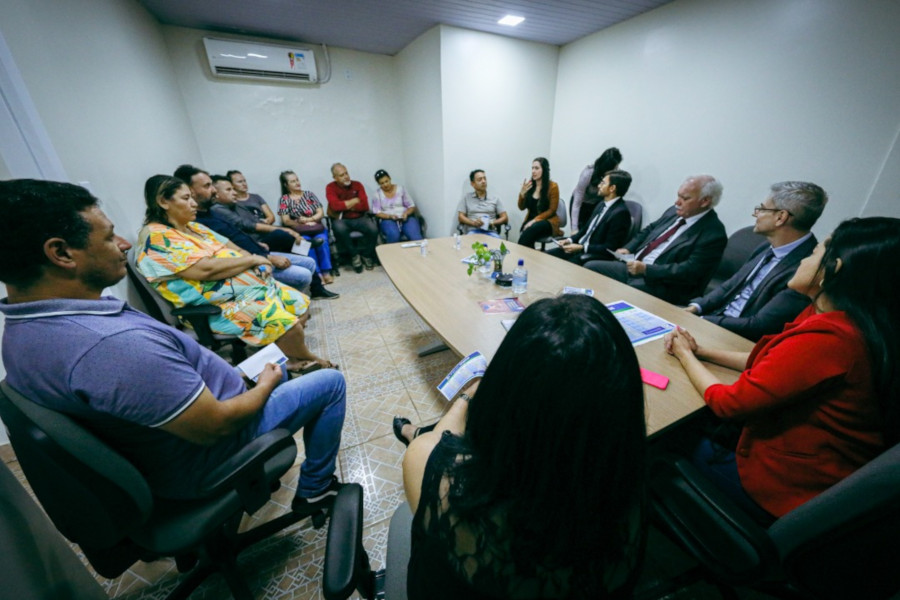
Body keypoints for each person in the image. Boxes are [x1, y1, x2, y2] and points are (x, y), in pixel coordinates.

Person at [0, 179, 347, 518]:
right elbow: (215, 425)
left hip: (175, 431)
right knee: (329, 383)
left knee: (275, 356)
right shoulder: (110, 346)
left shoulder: (22, 334)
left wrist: (236, 374)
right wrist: (267, 384)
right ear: (61, 253)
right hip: (211, 454)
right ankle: (316, 489)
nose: (123, 244)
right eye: (108, 236)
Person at [395, 295, 647, 598]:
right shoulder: (632, 498)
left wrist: (467, 397)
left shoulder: (431, 468)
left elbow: (435, 442)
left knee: (423, 439)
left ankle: (410, 430)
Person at [665, 217, 900, 519]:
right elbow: (772, 362)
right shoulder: (832, 314)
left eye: (815, 253)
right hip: (796, 458)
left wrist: (686, 356)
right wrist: (703, 352)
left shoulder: (832, 339)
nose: (805, 257)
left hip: (783, 486)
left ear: (834, 269)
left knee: (666, 437)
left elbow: (729, 403)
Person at [137, 176, 337, 372]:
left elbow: (235, 249)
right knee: (288, 324)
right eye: (185, 198)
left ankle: (286, 357)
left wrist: (257, 263)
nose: (193, 203)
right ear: (163, 201)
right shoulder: (158, 238)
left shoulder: (194, 227)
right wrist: (253, 260)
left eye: (191, 197)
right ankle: (306, 358)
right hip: (217, 306)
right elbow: (205, 270)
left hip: (251, 289)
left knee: (300, 305)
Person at [686, 181, 827, 340]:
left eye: (762, 208)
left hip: (738, 339)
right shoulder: (766, 245)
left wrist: (702, 320)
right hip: (714, 322)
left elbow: (759, 326)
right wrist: (696, 308)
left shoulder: (807, 269)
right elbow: (732, 284)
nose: (756, 214)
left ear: (780, 217)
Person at [171, 168, 338, 300]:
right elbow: (244, 229)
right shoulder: (206, 217)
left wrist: (259, 247)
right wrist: (265, 254)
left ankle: (314, 286)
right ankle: (295, 294)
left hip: (258, 248)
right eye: (208, 186)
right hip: (253, 258)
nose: (214, 190)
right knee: (289, 244)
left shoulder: (217, 210)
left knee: (307, 259)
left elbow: (241, 232)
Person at [586, 175, 727, 305]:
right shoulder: (674, 211)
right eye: (678, 196)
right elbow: (649, 229)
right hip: (635, 267)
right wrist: (629, 248)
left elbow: (688, 272)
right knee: (591, 267)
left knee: (625, 292)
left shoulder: (714, 234)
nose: (677, 202)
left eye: (685, 198)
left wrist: (647, 269)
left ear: (705, 201)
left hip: (664, 284)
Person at [547, 169, 633, 265]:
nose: (599, 185)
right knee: (546, 257)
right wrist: (569, 240)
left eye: (603, 183)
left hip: (591, 255)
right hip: (579, 248)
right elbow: (586, 229)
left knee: (558, 268)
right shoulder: (601, 204)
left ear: (612, 188)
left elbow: (610, 248)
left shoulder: (621, 214)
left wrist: (582, 248)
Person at [208, 174, 305, 254]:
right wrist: (286, 230)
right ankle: (304, 250)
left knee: (295, 242)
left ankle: (305, 249)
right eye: (229, 190)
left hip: (261, 235)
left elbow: (262, 219)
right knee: (281, 234)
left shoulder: (242, 202)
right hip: (253, 243)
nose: (234, 193)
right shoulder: (217, 209)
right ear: (216, 193)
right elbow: (248, 224)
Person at [278, 170, 335, 284]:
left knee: (322, 241)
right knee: (306, 244)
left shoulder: (309, 194)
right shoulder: (284, 199)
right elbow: (285, 220)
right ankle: (317, 274)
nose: (297, 183)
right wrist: (300, 223)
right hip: (300, 232)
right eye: (292, 181)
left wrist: (310, 220)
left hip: (316, 227)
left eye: (297, 179)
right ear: (286, 185)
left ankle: (326, 272)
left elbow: (320, 212)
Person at [325, 163, 378, 272]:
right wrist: (354, 201)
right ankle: (354, 255)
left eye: (346, 173)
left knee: (373, 229)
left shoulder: (357, 185)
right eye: (341, 175)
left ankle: (367, 255)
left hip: (360, 217)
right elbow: (335, 206)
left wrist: (344, 206)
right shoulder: (330, 187)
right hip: (342, 220)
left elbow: (364, 206)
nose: (346, 176)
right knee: (339, 229)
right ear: (335, 177)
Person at [571, 147, 623, 231]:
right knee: (579, 232)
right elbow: (577, 202)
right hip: (581, 204)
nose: (616, 169)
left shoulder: (614, 173)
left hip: (595, 204)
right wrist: (574, 228)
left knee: (590, 232)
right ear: (607, 166)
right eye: (614, 166)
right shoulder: (588, 173)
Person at [516, 157, 561, 249]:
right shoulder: (530, 185)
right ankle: (527, 259)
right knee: (526, 232)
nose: (533, 171)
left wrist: (535, 220)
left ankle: (519, 253)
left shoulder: (553, 187)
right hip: (531, 221)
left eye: (536, 168)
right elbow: (521, 208)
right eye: (532, 168)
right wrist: (522, 195)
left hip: (547, 221)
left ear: (544, 169)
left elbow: (552, 210)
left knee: (531, 229)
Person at [371, 169, 423, 243]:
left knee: (415, 236)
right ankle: (393, 254)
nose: (385, 185)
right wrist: (390, 216)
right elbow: (377, 212)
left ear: (390, 178)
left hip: (405, 217)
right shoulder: (377, 194)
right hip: (388, 219)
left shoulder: (401, 189)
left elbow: (411, 206)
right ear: (378, 184)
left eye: (386, 181)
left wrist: (406, 213)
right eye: (382, 183)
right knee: (394, 235)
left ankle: (417, 253)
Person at [457, 169, 509, 237]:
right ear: (473, 184)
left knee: (496, 246)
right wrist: (473, 223)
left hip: (491, 232)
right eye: (480, 179)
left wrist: (490, 223)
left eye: (484, 178)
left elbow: (505, 218)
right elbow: (460, 217)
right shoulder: (467, 198)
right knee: (469, 246)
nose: (483, 181)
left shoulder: (495, 198)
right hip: (473, 231)